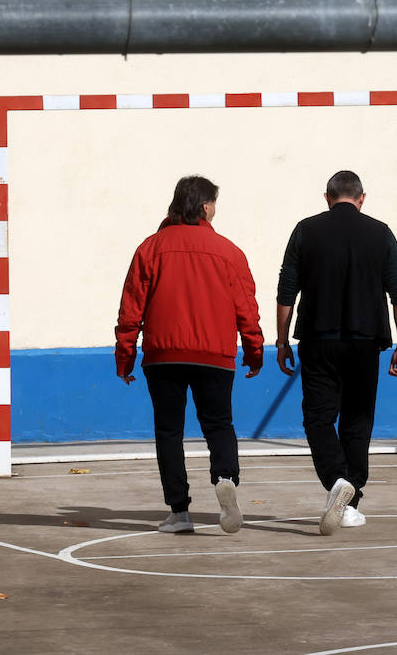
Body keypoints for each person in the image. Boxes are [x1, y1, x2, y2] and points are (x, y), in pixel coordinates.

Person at [114, 175, 264, 535]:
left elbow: (130, 308)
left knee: (169, 431)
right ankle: (225, 477)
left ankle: (179, 512)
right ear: (206, 207)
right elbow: (246, 307)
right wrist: (254, 351)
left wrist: (125, 357)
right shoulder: (229, 252)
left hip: (163, 355)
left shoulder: (150, 248)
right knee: (218, 424)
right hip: (215, 356)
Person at [275, 170, 397, 535]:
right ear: (362, 197)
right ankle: (351, 501)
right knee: (357, 420)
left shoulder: (305, 230)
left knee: (318, 419)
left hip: (319, 341)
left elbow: (287, 291)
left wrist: (282, 340)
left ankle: (337, 481)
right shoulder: (380, 233)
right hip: (366, 342)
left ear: (327, 197)